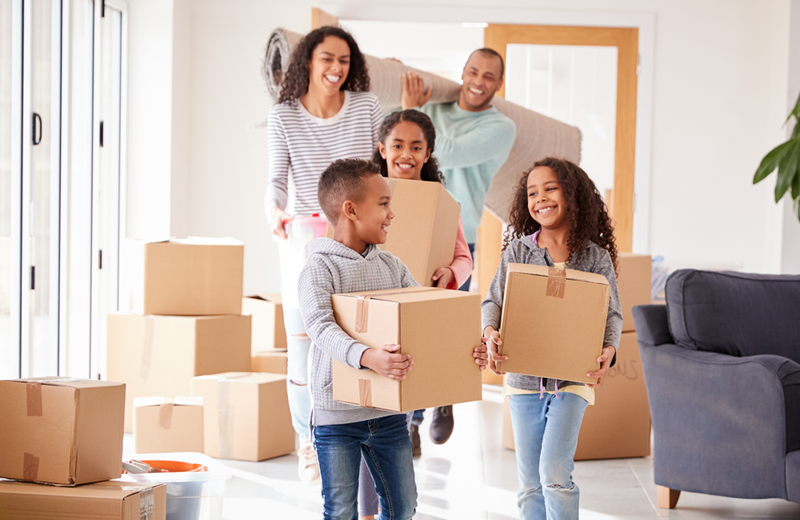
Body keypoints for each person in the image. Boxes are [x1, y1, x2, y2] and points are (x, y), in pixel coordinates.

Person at [298, 158, 489, 520]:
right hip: (336, 417)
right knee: (340, 510)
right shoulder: (319, 268)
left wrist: (468, 347)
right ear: (350, 210)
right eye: (384, 203)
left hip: (388, 414)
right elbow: (321, 328)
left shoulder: (392, 266)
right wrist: (369, 356)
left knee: (402, 506)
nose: (392, 213)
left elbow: (425, 319)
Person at [265, 26, 381, 484]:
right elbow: (276, 179)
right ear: (307, 63)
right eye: (327, 59)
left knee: (357, 340)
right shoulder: (284, 116)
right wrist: (273, 208)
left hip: (357, 242)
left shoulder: (366, 107)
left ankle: (363, 440)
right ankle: (308, 444)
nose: (336, 69)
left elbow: (382, 169)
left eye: (345, 61)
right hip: (303, 242)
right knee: (304, 350)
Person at [482, 157, 623, 520]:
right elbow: (493, 301)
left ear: (572, 195)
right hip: (525, 381)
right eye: (532, 192)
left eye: (550, 189)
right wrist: (489, 331)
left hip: (573, 380)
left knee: (554, 474)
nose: (540, 198)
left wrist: (610, 349)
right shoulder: (518, 252)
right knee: (530, 483)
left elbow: (611, 313)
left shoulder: (595, 257)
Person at [350, 110, 475, 520]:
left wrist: (450, 273)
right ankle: (368, 511)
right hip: (373, 317)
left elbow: (464, 257)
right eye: (398, 145)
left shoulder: (440, 201)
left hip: (417, 314)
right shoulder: (363, 194)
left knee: (393, 425)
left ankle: (394, 508)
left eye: (416, 146)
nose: (406, 154)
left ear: (428, 153)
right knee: (371, 421)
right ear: (382, 149)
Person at [399, 48, 516, 445]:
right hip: (410, 225)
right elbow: (395, 138)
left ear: (499, 83)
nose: (478, 81)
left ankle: (442, 399)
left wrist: (413, 110)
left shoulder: (501, 127)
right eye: (472, 71)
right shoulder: (435, 107)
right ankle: (411, 424)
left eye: (488, 76)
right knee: (407, 330)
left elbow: (447, 151)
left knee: (440, 332)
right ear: (463, 73)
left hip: (456, 232)